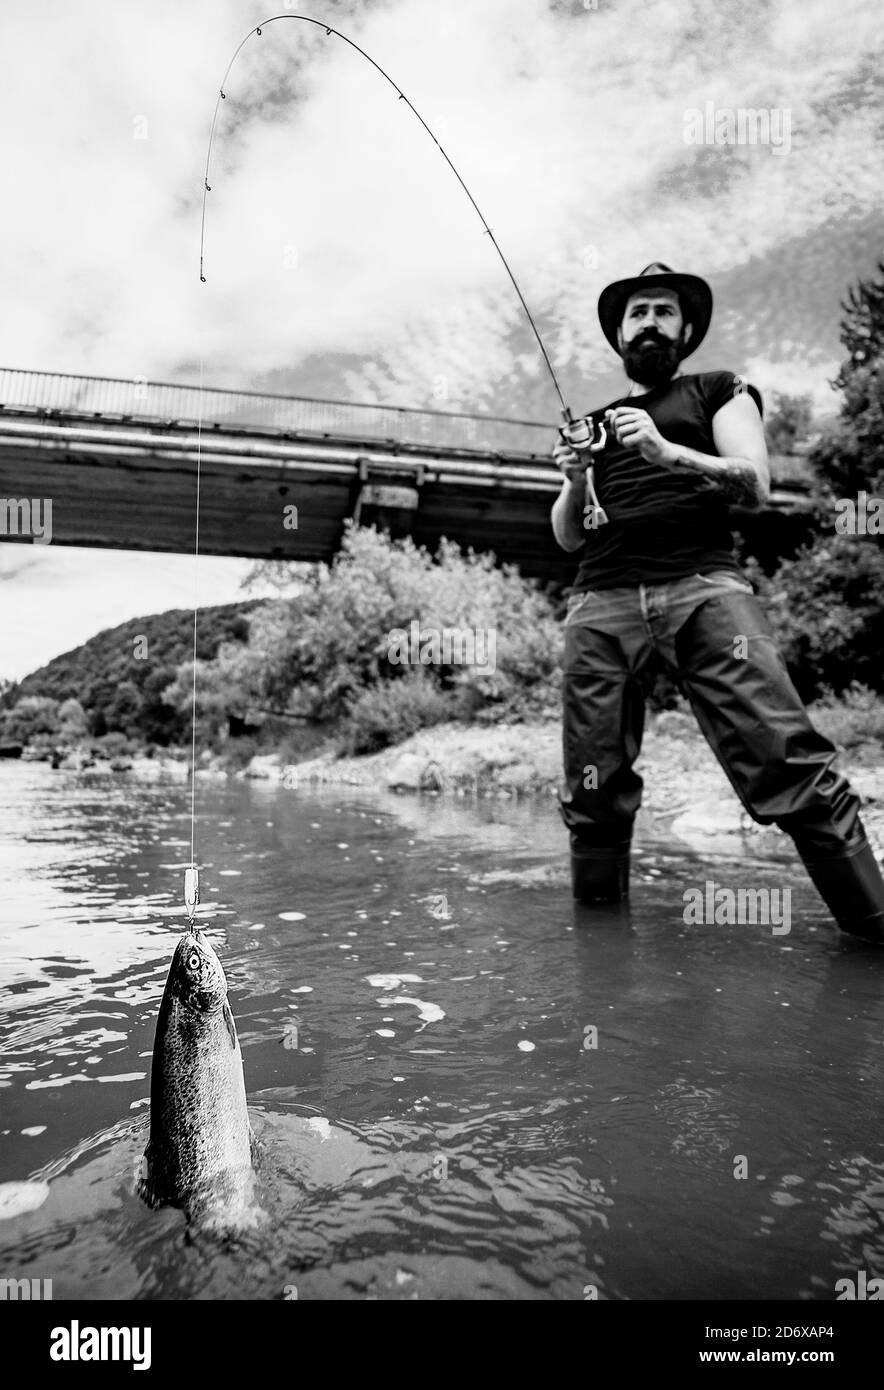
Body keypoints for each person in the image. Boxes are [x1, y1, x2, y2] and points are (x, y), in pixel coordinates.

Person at [551, 261, 884, 943]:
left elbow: (753, 485)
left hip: (705, 589)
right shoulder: (590, 424)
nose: (649, 321)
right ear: (618, 333)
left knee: (786, 762)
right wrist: (574, 480)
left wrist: (670, 452)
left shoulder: (717, 389)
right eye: (637, 312)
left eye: (663, 311)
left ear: (685, 329)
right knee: (592, 791)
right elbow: (566, 537)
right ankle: (600, 962)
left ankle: (875, 932)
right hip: (599, 602)